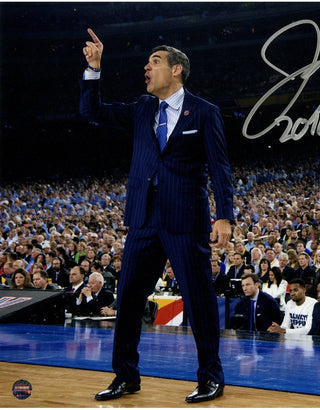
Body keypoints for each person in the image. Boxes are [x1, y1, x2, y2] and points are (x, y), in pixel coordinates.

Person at [81, 29, 233, 403]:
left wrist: (225, 216)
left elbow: (220, 169)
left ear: (176, 70)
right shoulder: (142, 108)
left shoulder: (205, 112)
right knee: (129, 298)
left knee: (199, 300)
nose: (146, 68)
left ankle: (211, 377)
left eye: (155, 61)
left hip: (186, 221)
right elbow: (91, 112)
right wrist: (94, 70)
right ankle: (125, 376)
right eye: (147, 63)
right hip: (144, 220)